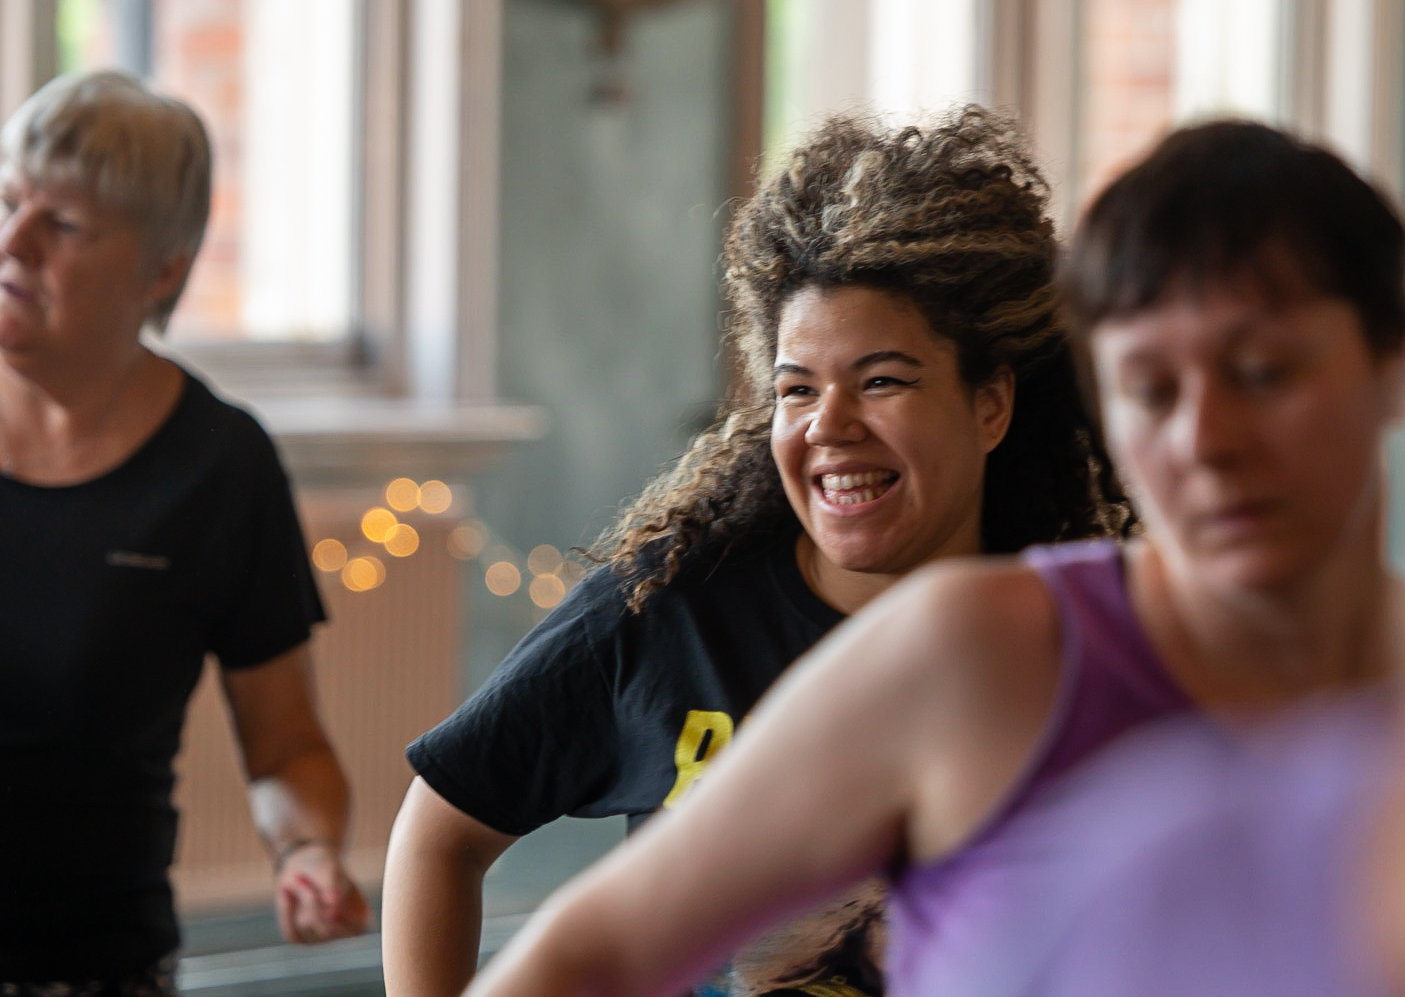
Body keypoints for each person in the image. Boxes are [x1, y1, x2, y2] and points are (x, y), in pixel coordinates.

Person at [458, 119, 1405, 997]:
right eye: (1149, 389)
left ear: (1388, 364)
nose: (1204, 438)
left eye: (1263, 371)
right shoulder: (969, 651)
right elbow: (588, 951)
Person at [380, 108, 1133, 997]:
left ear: (990, 403)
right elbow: (442, 829)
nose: (829, 425)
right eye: (796, 388)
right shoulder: (672, 609)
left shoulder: (1077, 642)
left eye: (883, 379)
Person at [0, 72, 368, 995]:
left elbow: (284, 747)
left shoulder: (219, 464)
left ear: (163, 268)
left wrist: (306, 849)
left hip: (93, 967)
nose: (12, 241)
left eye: (66, 225)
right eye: (7, 202)